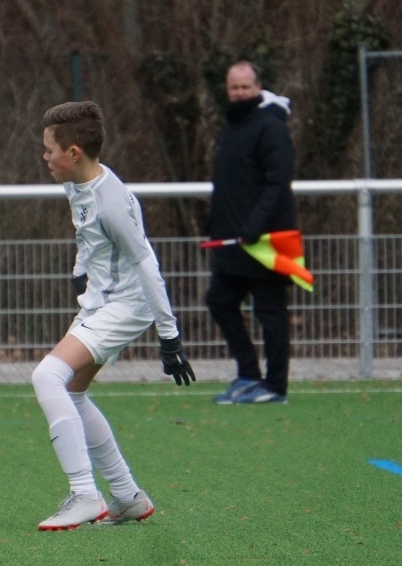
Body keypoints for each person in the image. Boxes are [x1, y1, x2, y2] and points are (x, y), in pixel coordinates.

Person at [33, 100, 196, 531]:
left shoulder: (111, 201)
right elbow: (86, 237)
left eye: (49, 149)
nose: (44, 156)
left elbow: (146, 264)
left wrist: (169, 335)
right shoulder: (76, 183)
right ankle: (127, 497)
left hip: (125, 306)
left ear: (73, 153)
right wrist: (79, 272)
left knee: (47, 377)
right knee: (72, 392)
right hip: (102, 302)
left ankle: (86, 495)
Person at [206, 61, 296, 405]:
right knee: (219, 301)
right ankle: (248, 375)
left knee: (270, 313)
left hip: (267, 241)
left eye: (245, 87)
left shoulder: (271, 127)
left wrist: (254, 227)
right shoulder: (231, 128)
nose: (239, 93)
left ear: (258, 88)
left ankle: (275, 387)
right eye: (234, 87)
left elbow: (277, 185)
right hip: (234, 242)